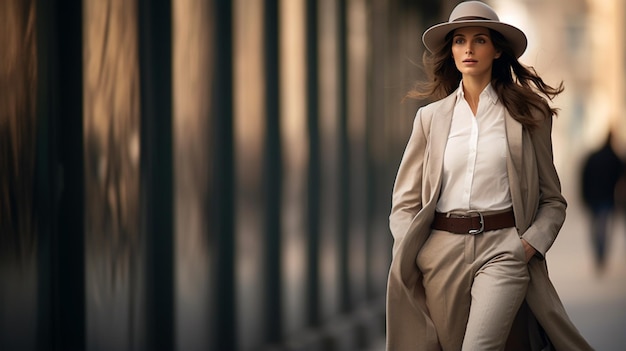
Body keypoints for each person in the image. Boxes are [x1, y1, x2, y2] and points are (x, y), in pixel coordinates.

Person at [385, 1, 593, 350]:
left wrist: (527, 247)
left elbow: (553, 200)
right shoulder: (430, 119)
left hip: (504, 250)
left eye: (479, 39)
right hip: (441, 254)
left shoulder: (531, 114)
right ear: (450, 52)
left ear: (497, 49)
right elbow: (404, 202)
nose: (468, 48)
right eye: (459, 41)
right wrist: (419, 254)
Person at [581, 131, 624, 272]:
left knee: (595, 228)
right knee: (603, 228)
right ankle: (601, 255)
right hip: (607, 198)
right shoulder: (615, 158)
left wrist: (584, 197)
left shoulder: (593, 157)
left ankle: (599, 254)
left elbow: (584, 177)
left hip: (593, 197)